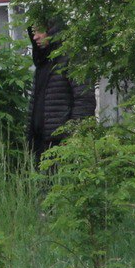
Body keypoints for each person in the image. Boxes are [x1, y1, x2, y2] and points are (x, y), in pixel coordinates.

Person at [27, 22, 96, 163]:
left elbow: (84, 100)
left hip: (62, 144)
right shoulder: (43, 61)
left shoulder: (73, 57)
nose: (35, 37)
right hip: (40, 142)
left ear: (53, 31)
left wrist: (73, 137)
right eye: (33, 32)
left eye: (39, 32)